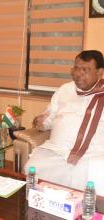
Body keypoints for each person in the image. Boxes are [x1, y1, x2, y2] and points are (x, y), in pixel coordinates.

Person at [24, 50, 104, 195]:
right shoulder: (65, 90)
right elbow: (47, 119)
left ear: (100, 73)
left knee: (96, 179)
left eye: (85, 69)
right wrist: (40, 122)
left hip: (92, 155)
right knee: (32, 169)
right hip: (57, 152)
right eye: (76, 68)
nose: (78, 73)